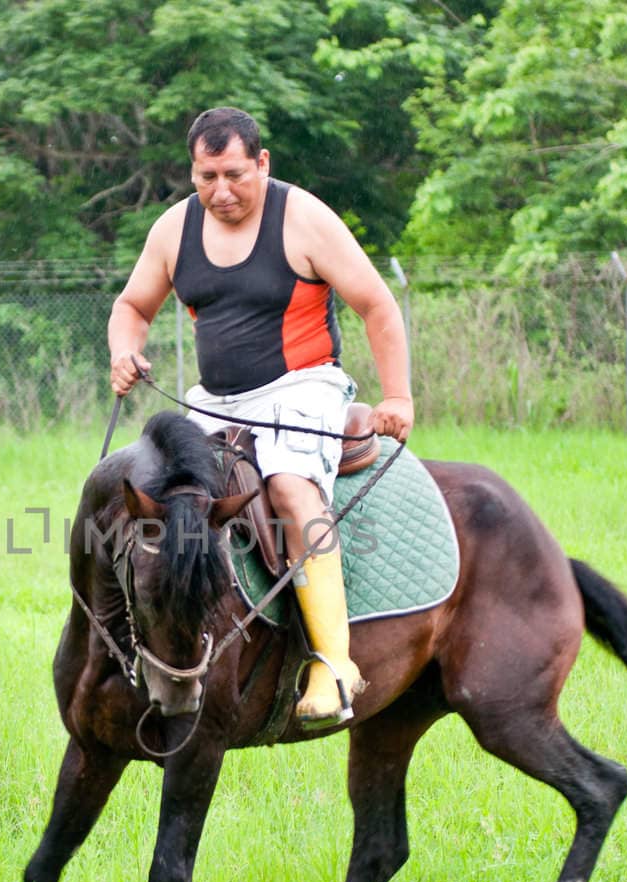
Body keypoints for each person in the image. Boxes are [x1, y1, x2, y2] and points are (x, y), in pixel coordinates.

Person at [107, 106, 414, 728]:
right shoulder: (174, 228)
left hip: (302, 387)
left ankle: (334, 664)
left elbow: (377, 306)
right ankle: (154, 645)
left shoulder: (303, 219)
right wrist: (123, 349)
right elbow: (132, 305)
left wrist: (398, 396)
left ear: (262, 163)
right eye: (206, 176)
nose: (221, 191)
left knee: (290, 490)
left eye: (235, 174)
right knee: (158, 494)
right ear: (192, 172)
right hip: (213, 398)